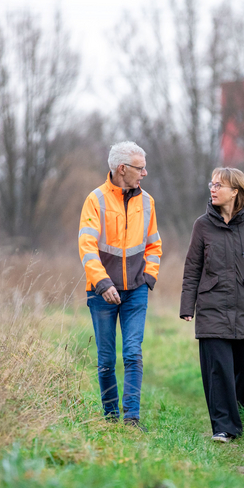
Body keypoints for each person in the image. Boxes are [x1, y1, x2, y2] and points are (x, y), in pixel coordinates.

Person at [179, 167, 244, 443]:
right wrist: (188, 306)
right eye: (211, 184)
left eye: (218, 185)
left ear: (235, 191)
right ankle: (223, 426)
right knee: (218, 370)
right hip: (212, 307)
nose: (212, 189)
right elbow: (192, 268)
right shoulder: (202, 225)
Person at [78, 141, 162, 428]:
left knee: (133, 353)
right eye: (140, 168)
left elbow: (154, 245)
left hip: (136, 291)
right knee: (105, 358)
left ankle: (131, 418)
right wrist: (102, 283)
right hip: (102, 293)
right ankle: (111, 417)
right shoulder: (95, 200)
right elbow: (87, 247)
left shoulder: (147, 202)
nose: (145, 173)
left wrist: (148, 278)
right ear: (122, 169)